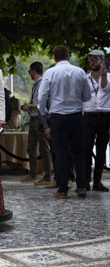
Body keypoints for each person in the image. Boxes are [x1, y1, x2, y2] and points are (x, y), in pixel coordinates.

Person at [38, 45, 91, 199]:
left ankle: (62, 188)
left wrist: (44, 112)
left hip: (58, 117)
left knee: (61, 153)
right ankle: (82, 186)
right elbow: (87, 96)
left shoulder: (50, 73)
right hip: (76, 116)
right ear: (68, 56)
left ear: (55, 58)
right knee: (79, 152)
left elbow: (42, 97)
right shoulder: (80, 72)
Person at [21, 62, 53, 186]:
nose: (30, 74)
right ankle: (33, 173)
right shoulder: (37, 84)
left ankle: (47, 176)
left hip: (40, 118)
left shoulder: (41, 84)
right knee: (31, 147)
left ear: (33, 71)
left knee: (44, 148)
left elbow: (42, 104)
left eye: (30, 72)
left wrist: (29, 106)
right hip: (34, 118)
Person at [83, 49, 110, 192]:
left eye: (95, 59)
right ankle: (86, 181)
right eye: (90, 59)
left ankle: (97, 181)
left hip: (105, 117)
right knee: (86, 149)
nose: (91, 62)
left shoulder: (109, 78)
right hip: (88, 116)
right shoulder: (85, 79)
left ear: (102, 61)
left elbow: (105, 88)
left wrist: (104, 75)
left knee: (101, 150)